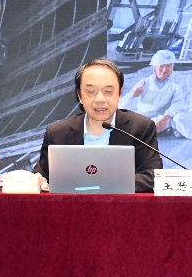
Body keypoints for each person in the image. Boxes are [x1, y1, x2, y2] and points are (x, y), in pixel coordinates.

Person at [34, 58, 162, 193]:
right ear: (79, 95)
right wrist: (37, 180)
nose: (100, 99)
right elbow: (41, 178)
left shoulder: (140, 128)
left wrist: (99, 184)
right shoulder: (57, 133)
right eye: (91, 92)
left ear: (119, 94)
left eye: (108, 91)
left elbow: (152, 176)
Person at [120, 49, 185, 133]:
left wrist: (164, 119)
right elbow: (122, 105)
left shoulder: (178, 83)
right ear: (154, 67)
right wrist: (132, 96)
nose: (164, 70)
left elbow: (179, 103)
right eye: (161, 66)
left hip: (164, 117)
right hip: (143, 116)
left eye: (168, 66)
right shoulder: (145, 83)